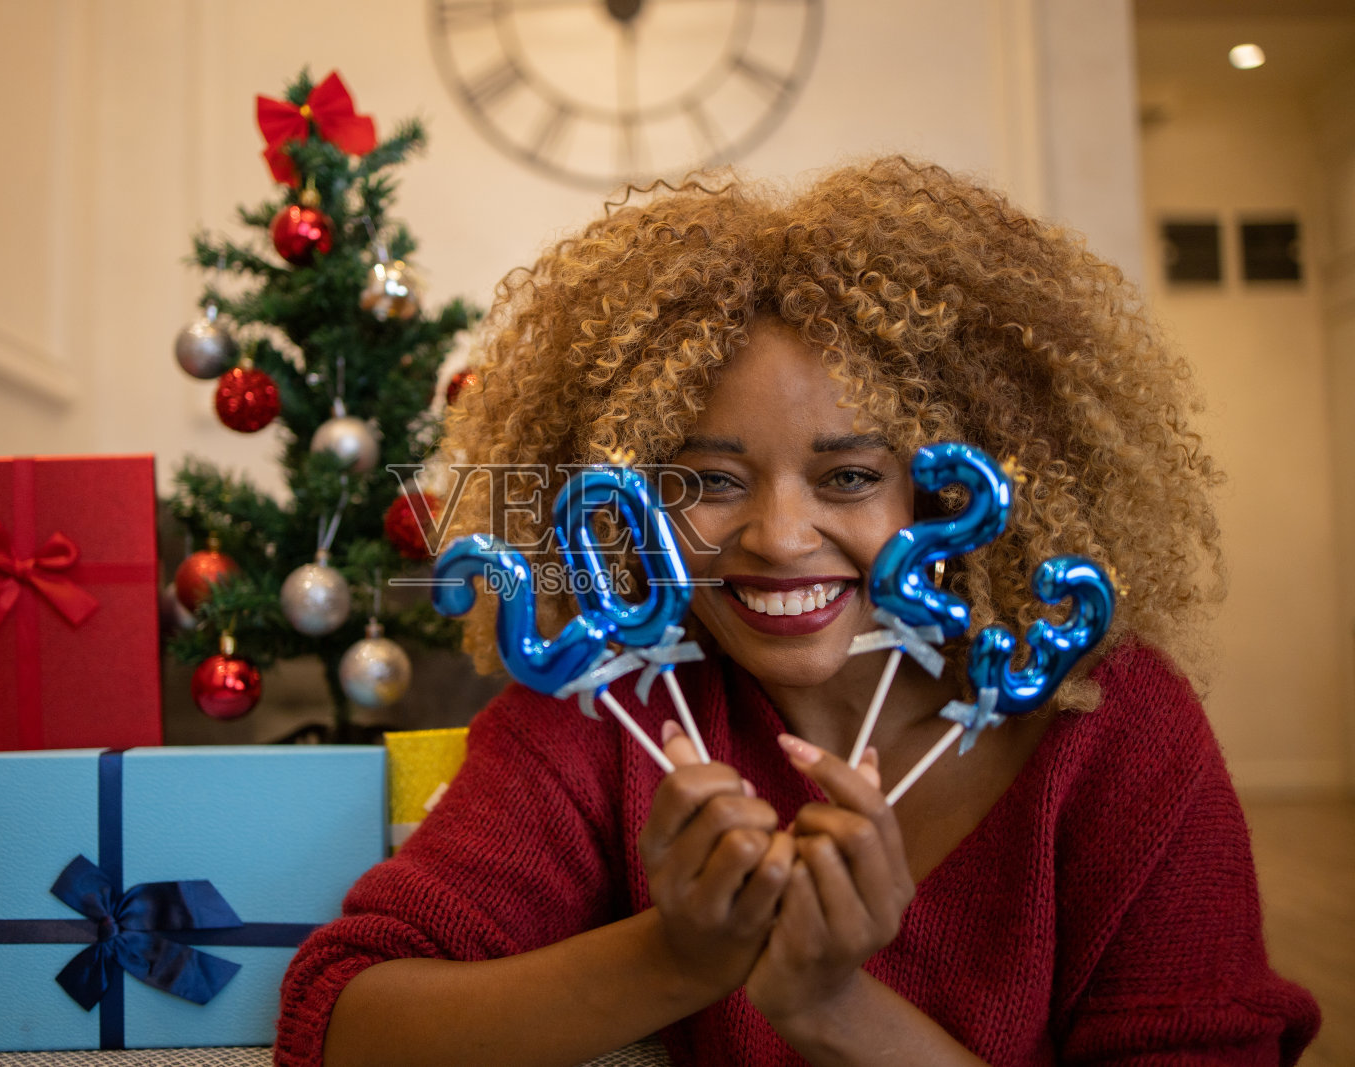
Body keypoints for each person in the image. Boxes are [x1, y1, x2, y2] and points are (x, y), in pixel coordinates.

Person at [275, 158, 1320, 1066]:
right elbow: (347, 1026)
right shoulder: (606, 706)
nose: (778, 535)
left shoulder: (1107, 721)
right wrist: (676, 956)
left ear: (949, 492)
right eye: (711, 479)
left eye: (851, 474)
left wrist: (830, 1008)